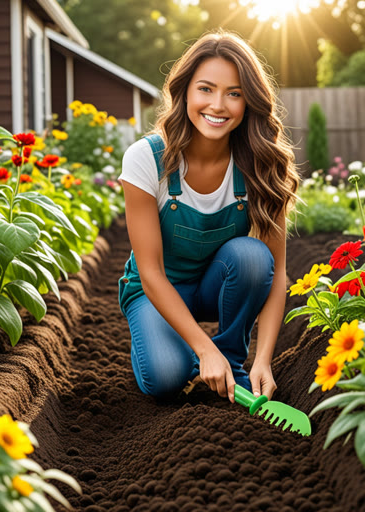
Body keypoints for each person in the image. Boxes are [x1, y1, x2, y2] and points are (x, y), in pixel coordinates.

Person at [118, 30, 299, 404]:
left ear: (248, 102)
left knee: (253, 256)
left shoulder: (261, 164)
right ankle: (179, 350)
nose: (218, 105)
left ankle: (232, 359)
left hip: (217, 286)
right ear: (184, 91)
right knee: (167, 376)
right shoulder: (145, 159)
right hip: (158, 290)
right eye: (206, 89)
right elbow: (150, 272)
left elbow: (276, 271)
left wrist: (262, 360)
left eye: (234, 93)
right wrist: (203, 350)